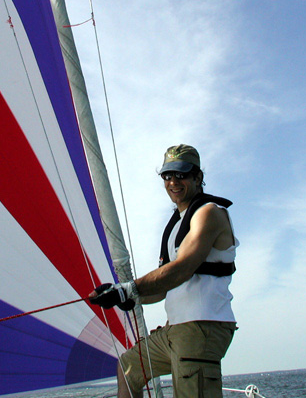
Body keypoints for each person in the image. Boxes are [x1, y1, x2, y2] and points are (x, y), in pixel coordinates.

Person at [89, 144, 238, 398]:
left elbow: (183, 268)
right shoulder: (176, 224)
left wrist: (130, 289)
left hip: (201, 328)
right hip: (175, 330)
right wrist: (125, 297)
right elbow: (163, 287)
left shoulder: (209, 213)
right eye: (167, 176)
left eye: (181, 174)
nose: (173, 182)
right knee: (128, 367)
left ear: (198, 177)